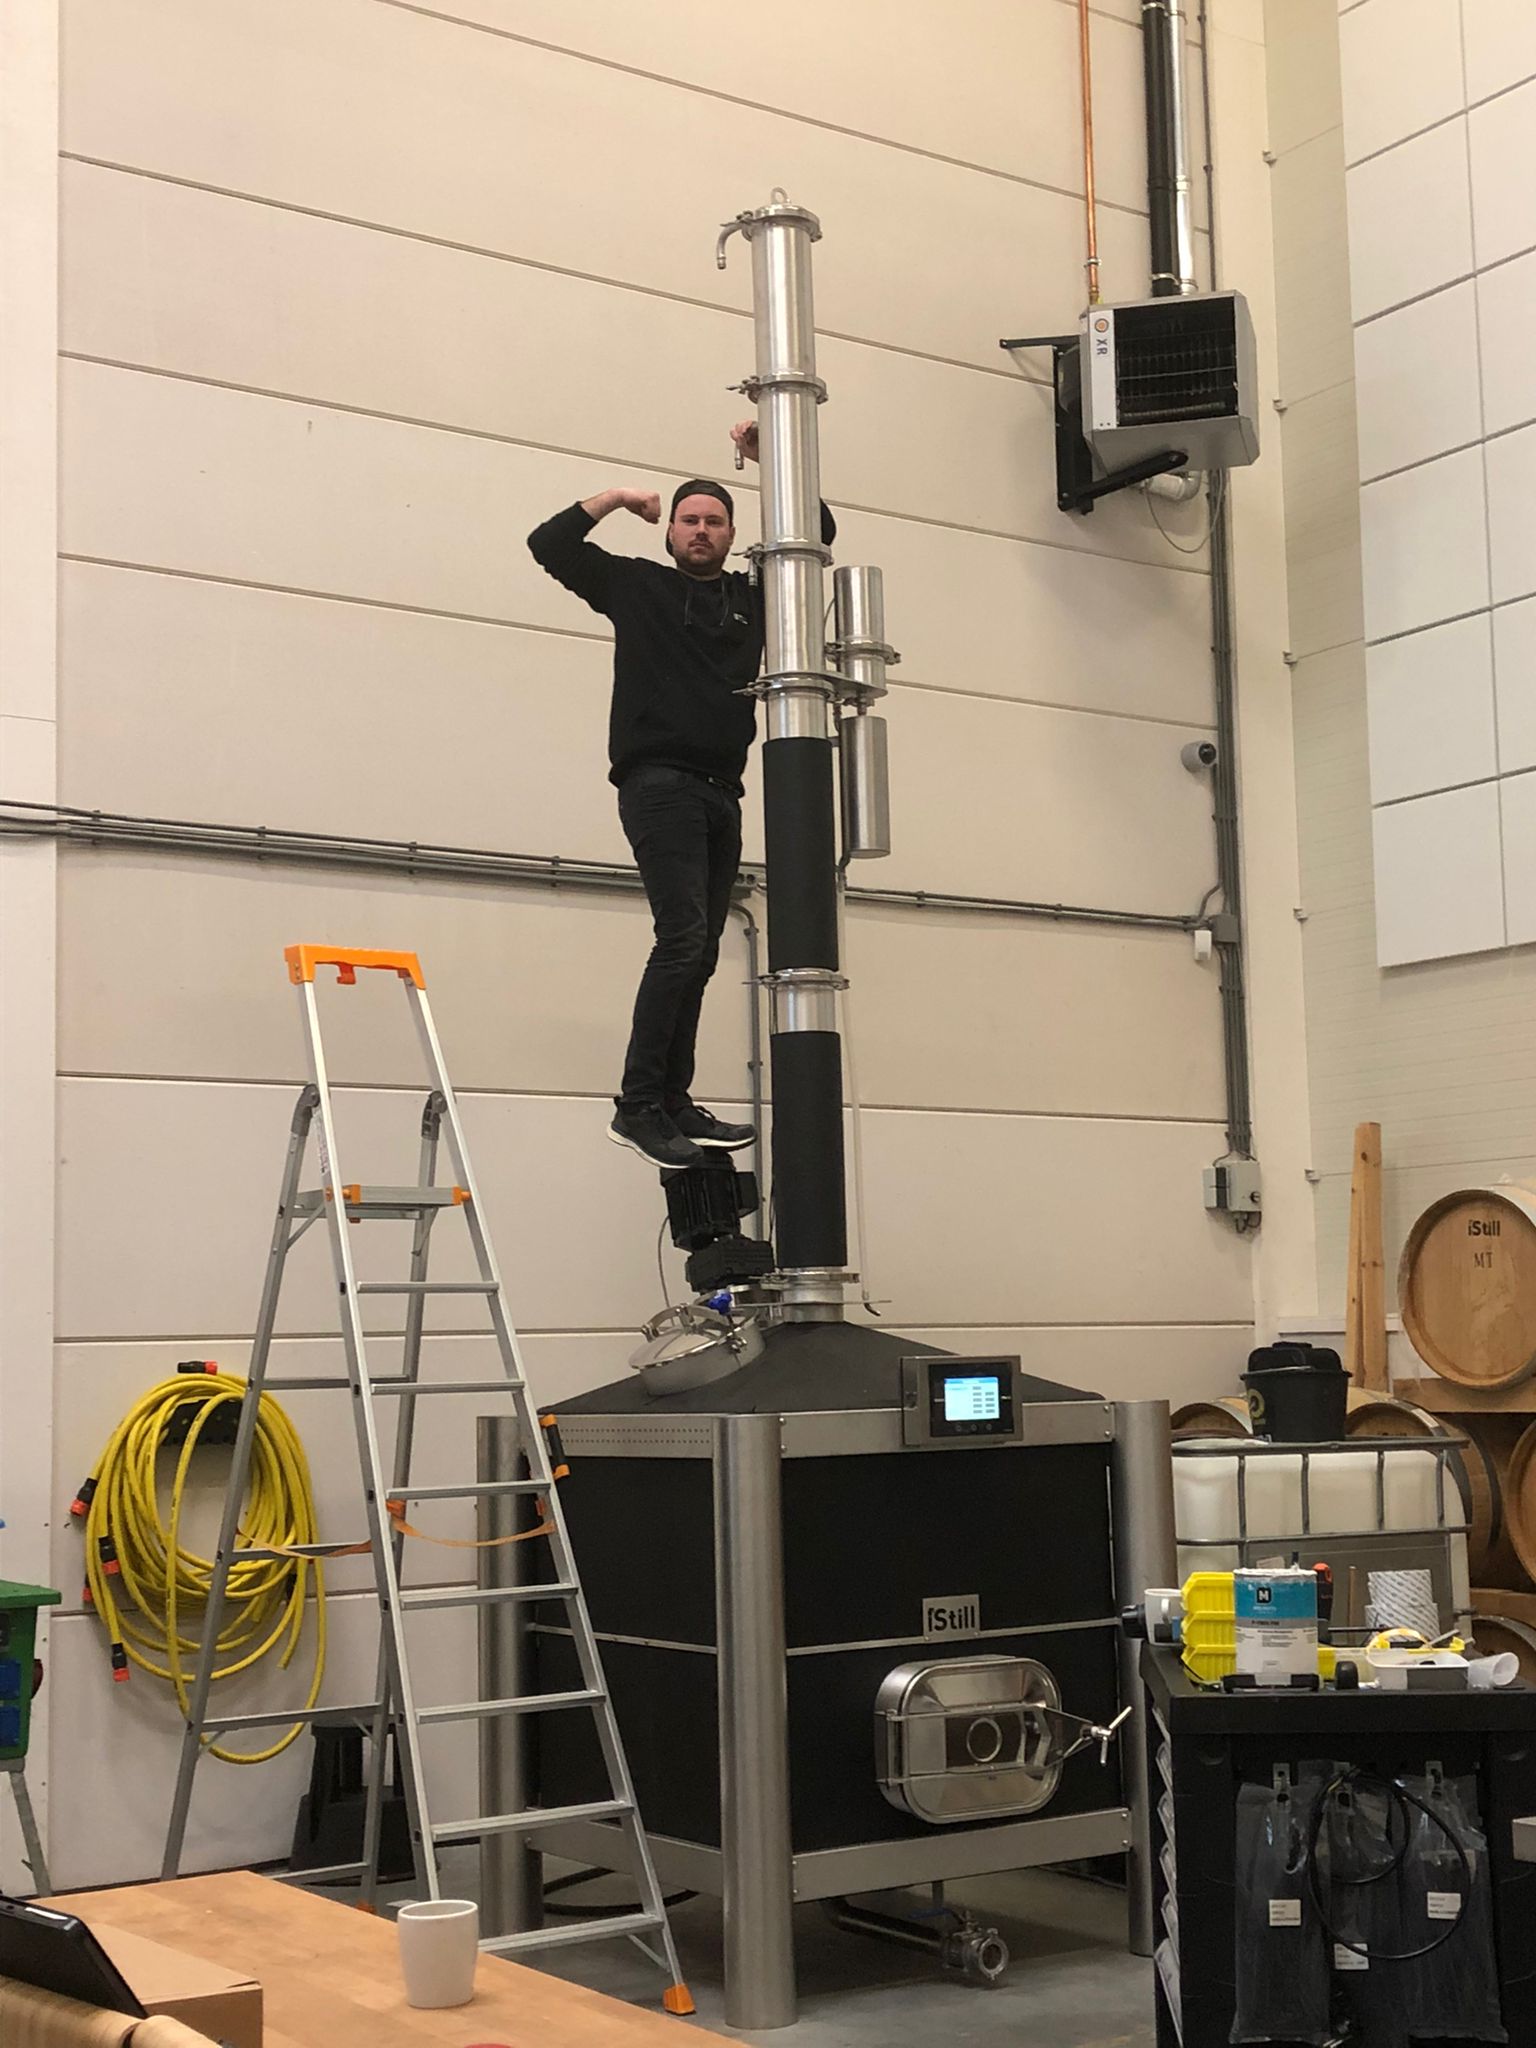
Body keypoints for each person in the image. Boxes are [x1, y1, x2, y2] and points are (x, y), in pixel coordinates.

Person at [528, 421, 836, 1169]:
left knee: (699, 951)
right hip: (658, 782)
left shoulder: (751, 599)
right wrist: (617, 496)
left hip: (722, 791)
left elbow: (816, 539)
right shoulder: (638, 587)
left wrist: (772, 462)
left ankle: (671, 1099)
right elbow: (549, 545)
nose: (701, 530)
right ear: (669, 532)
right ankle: (636, 1106)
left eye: (715, 521)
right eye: (688, 519)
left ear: (731, 534)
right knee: (681, 938)